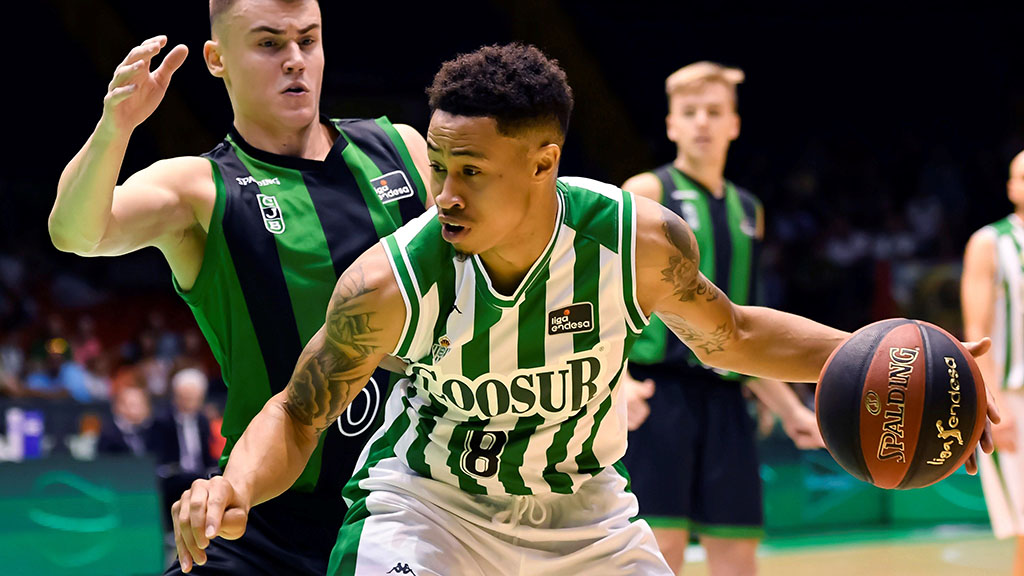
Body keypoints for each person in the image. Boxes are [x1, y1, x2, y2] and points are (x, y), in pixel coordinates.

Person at [172, 43, 994, 576]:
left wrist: (893, 360)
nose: (444, 193)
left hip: (587, 518)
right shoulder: (391, 281)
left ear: (544, 163)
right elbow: (300, 410)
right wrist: (230, 484)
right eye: (439, 165)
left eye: (471, 171)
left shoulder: (634, 243)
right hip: (432, 511)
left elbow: (734, 335)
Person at [48, 0, 430, 573]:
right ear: (216, 58)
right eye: (269, 43)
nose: (295, 60)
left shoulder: (402, 149)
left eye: (308, 40)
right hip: (261, 514)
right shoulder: (200, 187)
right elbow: (76, 233)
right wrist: (115, 127)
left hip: (410, 511)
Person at [620, 61, 822, 575]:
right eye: (690, 112)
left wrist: (792, 409)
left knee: (737, 554)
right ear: (671, 124)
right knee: (658, 551)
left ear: (734, 124)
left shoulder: (748, 209)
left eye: (714, 112)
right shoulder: (647, 191)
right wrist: (618, 382)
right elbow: (596, 296)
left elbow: (745, 327)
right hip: (658, 394)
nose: (702, 123)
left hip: (728, 400)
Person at [962, 149, 1024, 576]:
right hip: (1014, 398)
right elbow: (976, 330)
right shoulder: (990, 242)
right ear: (1011, 188)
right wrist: (994, 404)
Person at [151, 369, 219, 528]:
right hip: (173, 475)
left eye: (194, 398)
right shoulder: (162, 421)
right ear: (176, 396)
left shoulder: (202, 421)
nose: (189, 402)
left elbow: (207, 454)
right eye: (185, 397)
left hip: (199, 473)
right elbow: (158, 455)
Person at [97, 385, 153, 456]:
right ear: (118, 407)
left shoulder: (156, 432)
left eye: (141, 404)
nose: (138, 409)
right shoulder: (109, 435)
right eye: (133, 405)